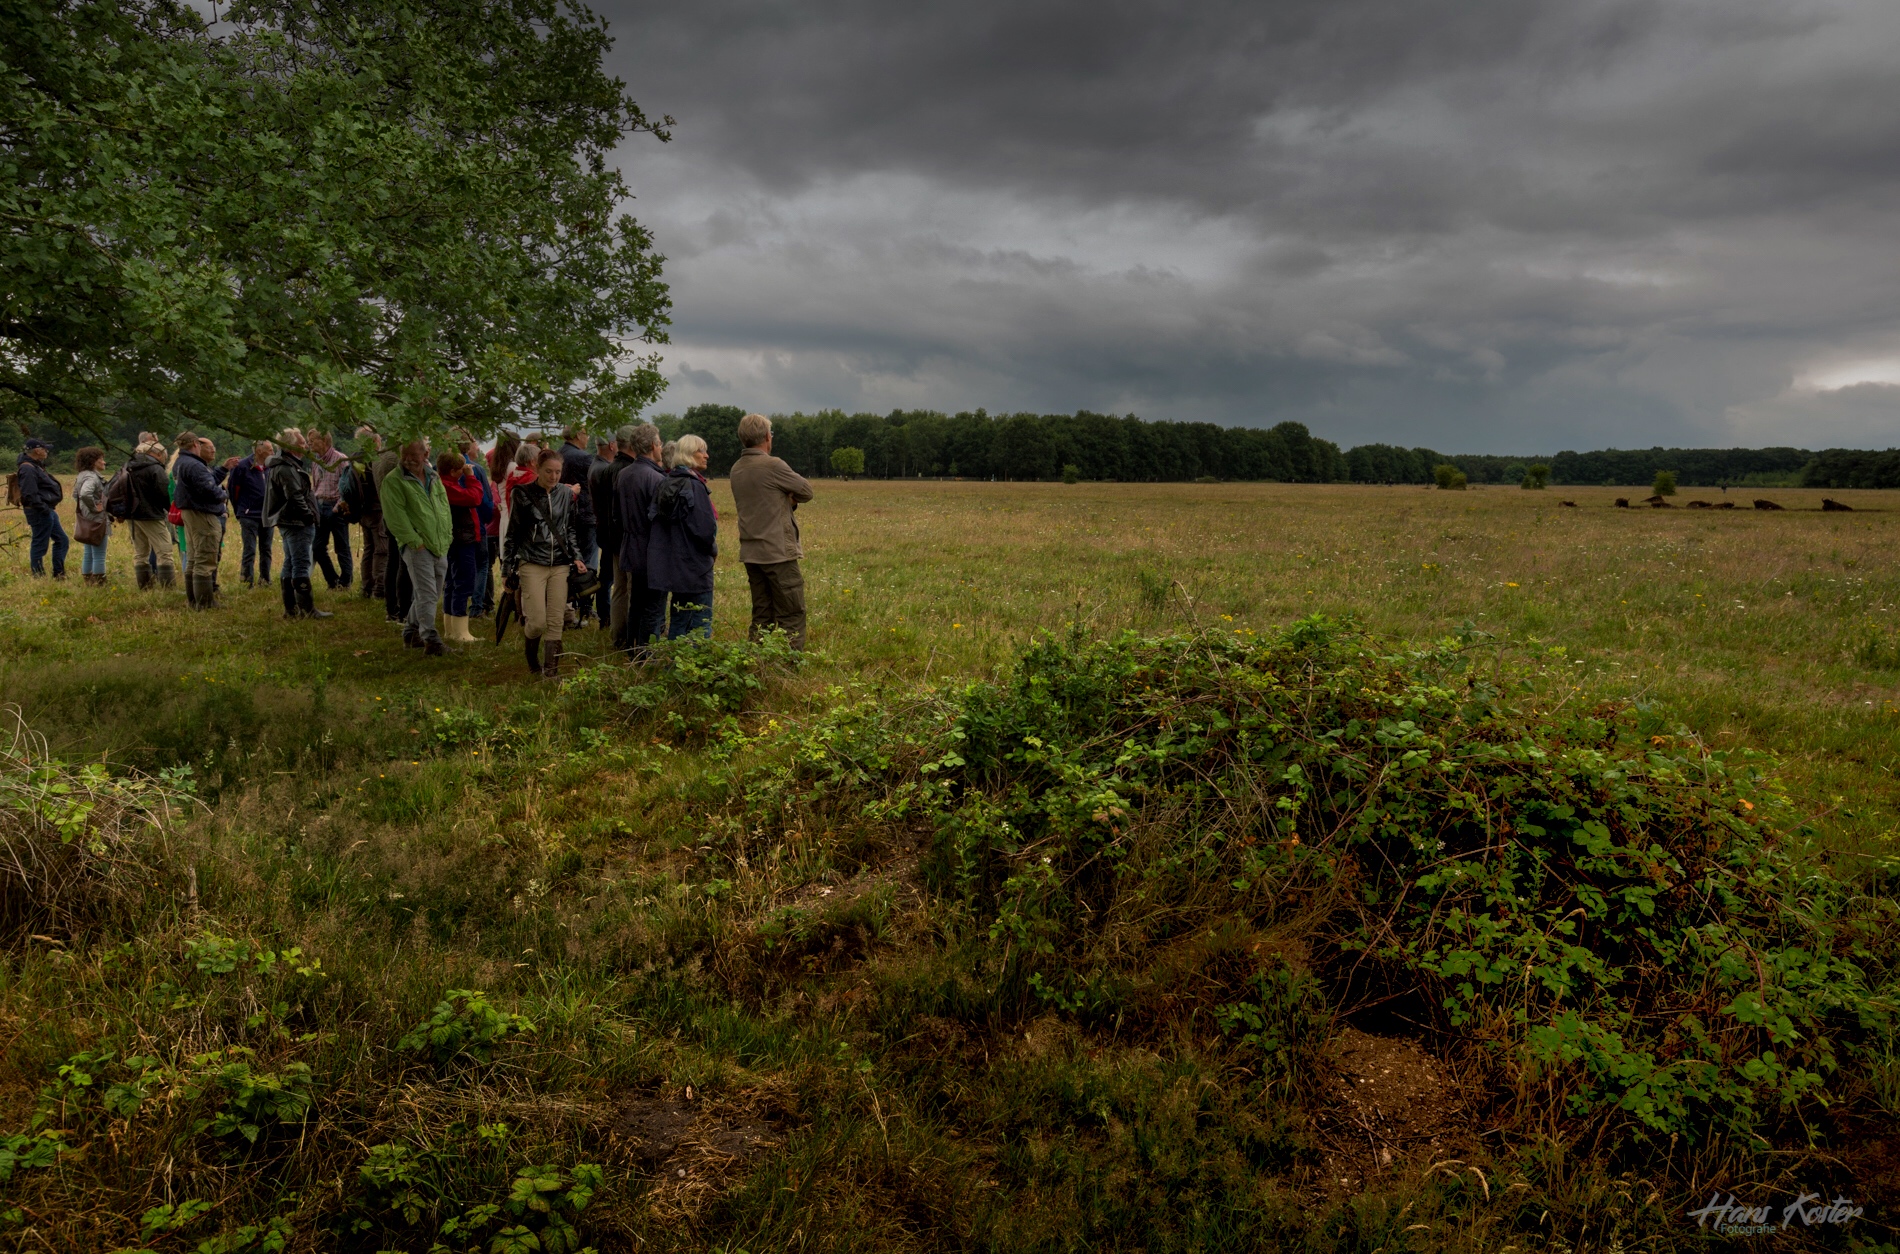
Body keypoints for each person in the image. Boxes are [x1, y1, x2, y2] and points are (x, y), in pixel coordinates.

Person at [728, 412, 814, 649]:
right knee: (791, 613)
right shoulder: (773, 464)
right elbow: (806, 491)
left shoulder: (736, 468)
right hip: (777, 553)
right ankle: (788, 667)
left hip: (751, 553)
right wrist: (788, 499)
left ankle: (756, 663)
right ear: (767, 436)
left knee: (762, 615)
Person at [503, 447, 586, 679]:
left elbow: (569, 531)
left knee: (556, 618)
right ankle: (531, 659)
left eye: (558, 472)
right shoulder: (522, 494)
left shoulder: (566, 495)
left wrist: (577, 557)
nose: (554, 476)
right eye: (548, 471)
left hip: (559, 564)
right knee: (537, 621)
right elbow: (514, 533)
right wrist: (507, 567)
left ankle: (550, 671)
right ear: (537, 469)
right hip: (532, 562)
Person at [381, 437, 451, 656]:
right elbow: (396, 518)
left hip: (439, 544)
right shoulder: (394, 480)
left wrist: (447, 536)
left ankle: (410, 633)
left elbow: (444, 507)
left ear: (425, 455)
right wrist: (415, 542)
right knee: (427, 592)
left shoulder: (433, 476)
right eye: (405, 456)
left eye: (414, 455)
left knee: (430, 592)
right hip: (417, 546)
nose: (409, 460)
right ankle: (430, 639)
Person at [646, 434, 717, 640]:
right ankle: (696, 669)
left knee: (678, 620)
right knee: (700, 622)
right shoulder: (694, 486)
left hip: (674, 567)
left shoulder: (665, 483)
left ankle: (673, 665)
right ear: (688, 455)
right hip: (696, 568)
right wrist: (713, 550)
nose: (706, 455)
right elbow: (705, 530)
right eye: (701, 451)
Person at [263, 428, 330, 620]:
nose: (305, 445)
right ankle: (306, 610)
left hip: (290, 521)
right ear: (291, 446)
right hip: (296, 522)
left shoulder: (284, 464)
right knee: (300, 564)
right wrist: (308, 516)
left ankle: (291, 609)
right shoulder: (286, 467)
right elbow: (295, 496)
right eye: (302, 443)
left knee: (290, 562)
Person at [613, 423, 667, 653]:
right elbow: (661, 519)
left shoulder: (623, 474)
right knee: (653, 606)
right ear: (653, 445)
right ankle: (646, 653)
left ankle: (632, 649)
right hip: (652, 550)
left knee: (636, 602)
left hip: (630, 546)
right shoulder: (655, 478)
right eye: (660, 442)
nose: (662, 447)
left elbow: (616, 514)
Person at [171, 431, 227, 609]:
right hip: (202, 514)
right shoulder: (195, 465)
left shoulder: (180, 462)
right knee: (205, 557)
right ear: (195, 443)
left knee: (194, 557)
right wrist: (224, 494)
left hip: (189, 513)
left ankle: (193, 600)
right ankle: (205, 602)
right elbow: (209, 489)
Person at [437, 449, 484, 644]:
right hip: (461, 539)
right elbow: (475, 498)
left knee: (452, 582)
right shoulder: (449, 487)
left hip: (457, 538)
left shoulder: (446, 484)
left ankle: (450, 628)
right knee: (464, 581)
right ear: (454, 471)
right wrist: (471, 478)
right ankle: (460, 630)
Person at [341, 427, 386, 601]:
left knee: (369, 549)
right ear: (374, 441)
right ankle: (379, 589)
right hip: (376, 509)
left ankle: (366, 587)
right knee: (381, 550)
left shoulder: (354, 458)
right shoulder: (373, 460)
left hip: (362, 511)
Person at [124, 441, 174, 590]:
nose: (164, 459)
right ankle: (168, 587)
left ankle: (145, 586)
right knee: (165, 551)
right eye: (163, 456)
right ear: (157, 454)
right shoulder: (155, 468)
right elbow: (165, 492)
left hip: (132, 515)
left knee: (140, 553)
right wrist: (171, 510)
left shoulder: (128, 466)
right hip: (152, 515)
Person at [307, 430, 353, 590]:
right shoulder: (315, 461)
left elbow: (347, 487)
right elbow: (315, 485)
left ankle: (346, 582)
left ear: (324, 441)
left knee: (342, 547)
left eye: (312, 440)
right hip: (319, 506)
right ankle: (332, 580)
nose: (309, 443)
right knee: (317, 547)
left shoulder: (340, 459)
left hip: (336, 506)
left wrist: (337, 507)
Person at [559, 428, 597, 624]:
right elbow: (593, 483)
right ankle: (586, 605)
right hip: (584, 514)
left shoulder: (559, 453)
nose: (587, 437)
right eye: (585, 433)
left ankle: (569, 604)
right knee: (587, 563)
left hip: (564, 514)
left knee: (570, 561)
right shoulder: (584, 457)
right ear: (576, 436)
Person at [457, 433, 497, 619]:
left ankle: (457, 604)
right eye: (475, 443)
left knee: (457, 565)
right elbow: (486, 500)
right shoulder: (476, 470)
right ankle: (477, 607)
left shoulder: (439, 468)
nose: (477, 447)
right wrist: (486, 519)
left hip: (453, 525)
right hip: (475, 523)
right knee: (482, 565)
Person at [16, 439, 69, 579]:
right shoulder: (27, 468)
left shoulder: (36, 466)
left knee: (62, 540)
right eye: (45, 449)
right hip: (39, 510)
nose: (47, 451)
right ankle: (38, 575)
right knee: (40, 543)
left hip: (46, 510)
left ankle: (59, 573)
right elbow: (29, 493)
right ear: (36, 450)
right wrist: (43, 508)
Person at [226, 440, 275, 588]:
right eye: (270, 450)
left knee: (266, 549)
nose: (273, 453)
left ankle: (265, 579)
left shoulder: (270, 466)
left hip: (267, 514)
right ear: (259, 451)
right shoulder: (242, 466)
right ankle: (247, 580)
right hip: (249, 514)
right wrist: (240, 511)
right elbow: (233, 489)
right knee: (250, 549)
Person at [371, 435, 409, 624]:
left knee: (393, 561)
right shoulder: (395, 459)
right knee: (401, 562)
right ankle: (400, 609)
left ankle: (392, 608)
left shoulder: (379, 456)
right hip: (399, 514)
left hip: (388, 512)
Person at [587, 433, 619, 627]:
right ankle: (605, 616)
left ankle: (604, 614)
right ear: (612, 445)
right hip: (608, 529)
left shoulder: (596, 465)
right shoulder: (604, 469)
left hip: (602, 526)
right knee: (607, 576)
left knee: (606, 575)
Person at [72, 446, 109, 586]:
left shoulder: (82, 474)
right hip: (97, 520)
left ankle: (88, 582)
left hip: (86, 519)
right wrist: (95, 507)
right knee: (99, 554)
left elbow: (76, 495)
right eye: (101, 459)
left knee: (88, 552)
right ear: (93, 461)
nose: (104, 462)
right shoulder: (92, 477)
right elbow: (84, 494)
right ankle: (100, 584)